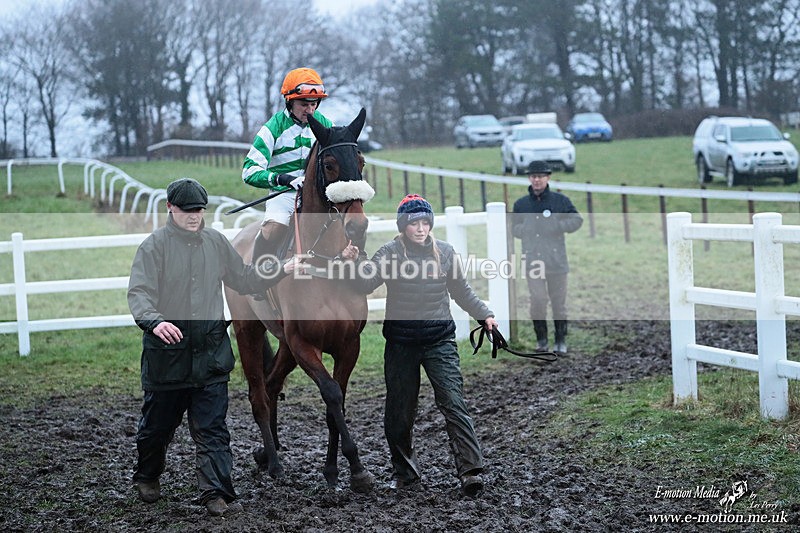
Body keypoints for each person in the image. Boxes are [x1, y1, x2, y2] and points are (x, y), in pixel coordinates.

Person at [127, 178, 302, 517]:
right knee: (156, 429)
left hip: (210, 357)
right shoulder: (153, 248)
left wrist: (281, 269)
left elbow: (246, 279)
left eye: (199, 210)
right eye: (187, 211)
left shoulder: (217, 243)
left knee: (213, 431)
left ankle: (215, 493)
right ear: (170, 209)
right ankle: (148, 475)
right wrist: (155, 320)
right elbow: (139, 294)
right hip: (168, 359)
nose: (194, 216)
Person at [341, 194, 498, 497]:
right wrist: (354, 260)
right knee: (399, 413)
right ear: (404, 226)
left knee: (453, 403)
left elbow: (462, 292)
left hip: (439, 341)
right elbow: (366, 282)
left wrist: (485, 316)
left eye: (425, 222)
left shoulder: (446, 253)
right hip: (401, 344)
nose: (421, 228)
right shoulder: (389, 253)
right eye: (415, 223)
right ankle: (406, 474)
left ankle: (471, 471)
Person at [241, 67, 333, 256]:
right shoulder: (272, 128)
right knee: (274, 227)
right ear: (289, 102)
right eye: (304, 104)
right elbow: (249, 172)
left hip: (319, 196)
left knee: (349, 224)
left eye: (314, 104)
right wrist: (284, 179)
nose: (310, 110)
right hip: (284, 195)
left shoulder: (326, 125)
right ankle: (259, 274)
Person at [512, 160, 583, 354]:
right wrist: (524, 229)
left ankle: (560, 340)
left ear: (547, 178)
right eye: (534, 176)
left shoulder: (560, 201)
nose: (537, 180)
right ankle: (541, 339)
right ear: (529, 178)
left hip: (556, 261)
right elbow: (513, 228)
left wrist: (558, 226)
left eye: (540, 176)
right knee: (538, 300)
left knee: (558, 303)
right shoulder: (521, 204)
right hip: (533, 261)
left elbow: (577, 220)